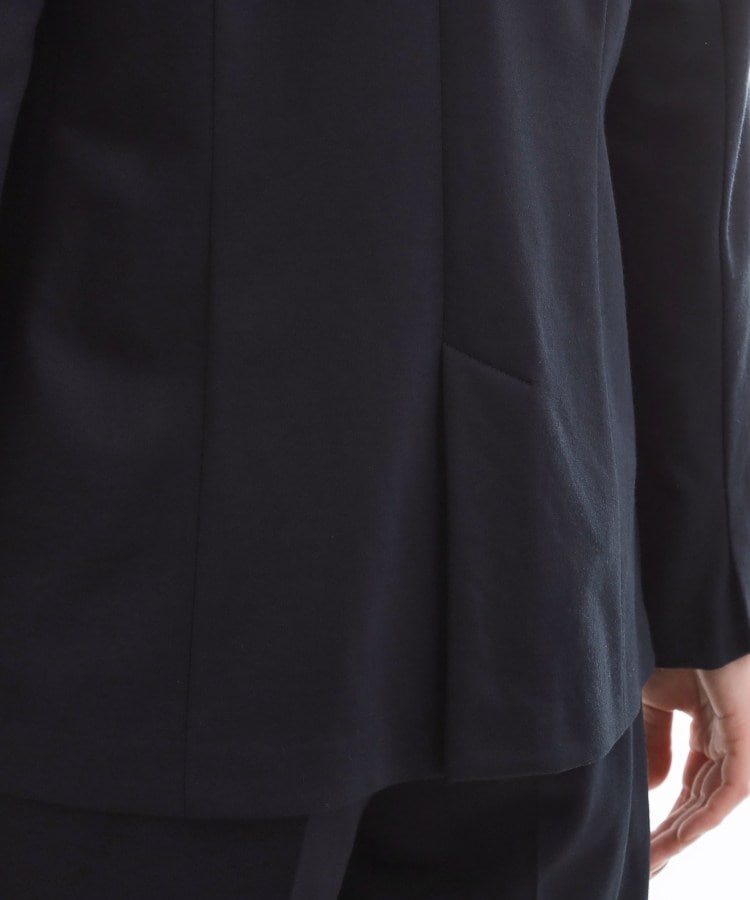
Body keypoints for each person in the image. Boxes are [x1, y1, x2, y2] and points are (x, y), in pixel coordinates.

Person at [0, 0, 749, 897]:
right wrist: (696, 577)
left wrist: (699, 585)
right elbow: (683, 94)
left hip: (129, 611)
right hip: (545, 579)